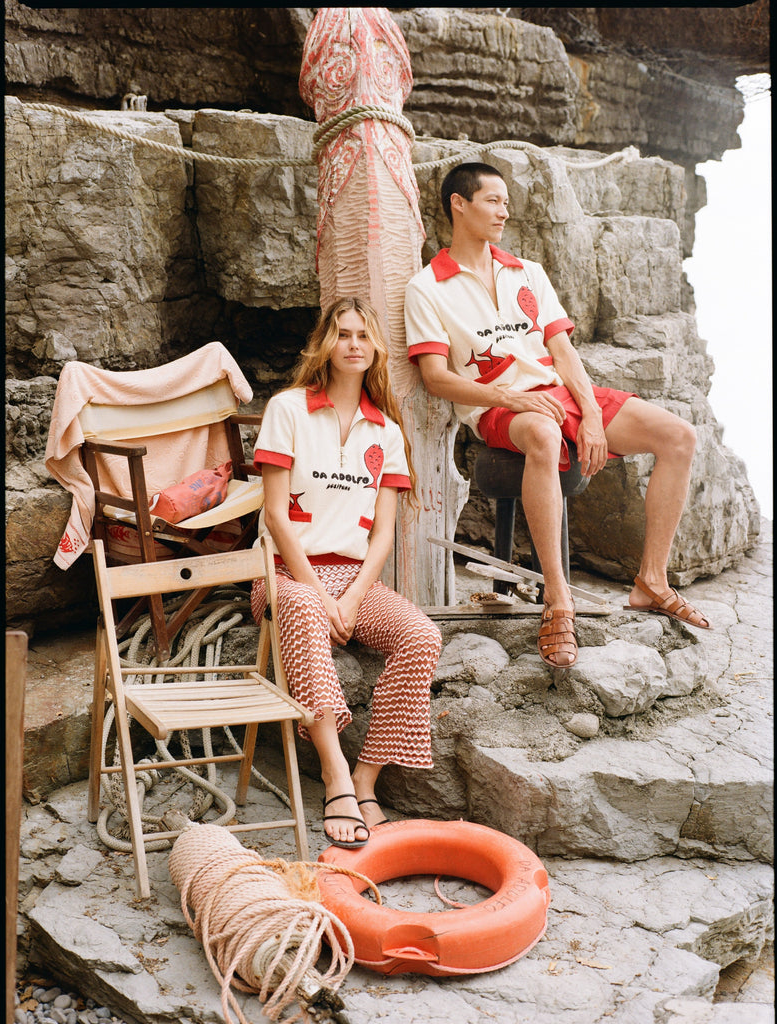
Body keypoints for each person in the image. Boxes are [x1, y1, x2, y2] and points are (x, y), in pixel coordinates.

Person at [404, 161, 709, 669]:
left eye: (506, 201)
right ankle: (558, 600)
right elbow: (436, 378)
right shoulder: (427, 288)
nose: (505, 211)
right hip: (501, 409)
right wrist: (512, 399)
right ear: (459, 204)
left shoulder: (528, 272)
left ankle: (651, 581)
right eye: (494, 201)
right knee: (544, 435)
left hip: (560, 392)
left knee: (678, 435)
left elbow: (563, 353)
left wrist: (590, 413)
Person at [250, 296, 442, 849]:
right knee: (308, 608)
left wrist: (355, 597)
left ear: (376, 348)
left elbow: (383, 532)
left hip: (355, 580)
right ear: (325, 345)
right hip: (285, 574)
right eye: (343, 333)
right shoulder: (288, 410)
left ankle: (366, 778)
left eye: (364, 335)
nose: (354, 343)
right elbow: (275, 514)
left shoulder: (385, 431)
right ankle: (335, 775)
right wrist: (317, 591)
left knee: (421, 636)